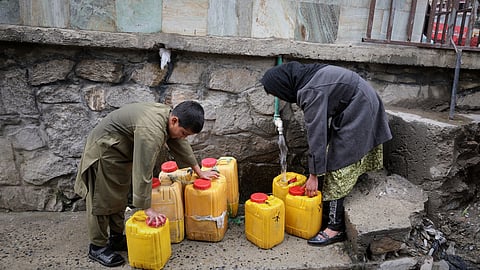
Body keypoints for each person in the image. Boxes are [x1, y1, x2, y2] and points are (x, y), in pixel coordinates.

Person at [260, 61, 392, 246]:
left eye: (277, 94)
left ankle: (334, 227)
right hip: (354, 103)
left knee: (338, 164)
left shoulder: (311, 91)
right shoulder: (306, 78)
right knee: (333, 153)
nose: (280, 99)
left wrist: (314, 175)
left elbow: (317, 133)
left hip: (360, 106)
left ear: (283, 87)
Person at [74, 101, 218, 267]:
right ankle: (97, 247)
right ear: (174, 121)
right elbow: (143, 169)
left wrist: (199, 171)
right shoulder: (151, 131)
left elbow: (180, 143)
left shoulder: (168, 117)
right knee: (101, 199)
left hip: (118, 153)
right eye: (184, 132)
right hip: (103, 152)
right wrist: (147, 208)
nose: (183, 137)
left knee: (118, 196)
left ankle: (116, 238)